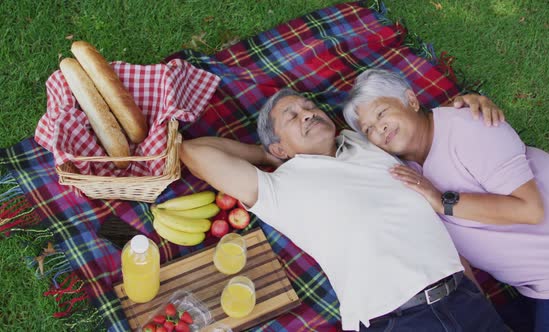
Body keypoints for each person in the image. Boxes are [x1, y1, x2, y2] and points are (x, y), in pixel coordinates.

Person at [180, 88, 508, 331]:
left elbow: (417, 122)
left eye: (309, 106)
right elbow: (194, 152)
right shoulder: (279, 187)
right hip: (397, 319)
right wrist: (265, 155)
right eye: (292, 117)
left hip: (465, 298)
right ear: (279, 146)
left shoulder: (363, 141)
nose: (308, 113)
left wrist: (466, 103)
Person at [343, 68, 549, 332]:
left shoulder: (470, 127)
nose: (379, 128)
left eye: (382, 113)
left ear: (411, 101)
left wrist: (442, 201)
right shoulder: (406, 169)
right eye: (368, 129)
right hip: (540, 287)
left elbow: (530, 210)